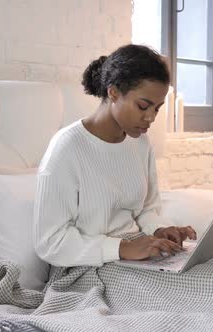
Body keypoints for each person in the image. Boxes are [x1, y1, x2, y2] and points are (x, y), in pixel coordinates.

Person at [33, 44, 197, 267]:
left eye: (157, 108)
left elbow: (146, 209)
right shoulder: (67, 148)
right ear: (113, 92)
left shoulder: (140, 142)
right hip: (88, 266)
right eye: (143, 106)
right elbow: (50, 242)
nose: (150, 118)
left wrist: (160, 230)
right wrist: (124, 248)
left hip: (138, 255)